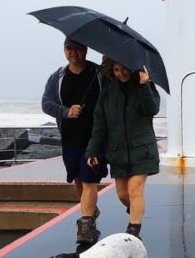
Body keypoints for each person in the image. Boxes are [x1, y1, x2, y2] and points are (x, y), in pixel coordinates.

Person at [86, 59, 160, 238]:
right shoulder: (108, 92)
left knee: (135, 189)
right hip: (117, 151)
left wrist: (144, 86)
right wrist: (93, 150)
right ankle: (136, 210)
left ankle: (133, 232)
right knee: (122, 194)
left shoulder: (145, 85)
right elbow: (100, 123)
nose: (121, 73)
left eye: (124, 69)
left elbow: (152, 109)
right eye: (117, 70)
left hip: (141, 150)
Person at [41, 38, 103, 246]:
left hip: (94, 138)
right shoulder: (57, 77)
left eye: (78, 49)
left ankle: (85, 224)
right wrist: (66, 112)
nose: (73, 53)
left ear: (85, 50)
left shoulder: (99, 74)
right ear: (64, 50)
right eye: (69, 49)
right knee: (77, 179)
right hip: (69, 138)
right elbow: (46, 104)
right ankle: (90, 210)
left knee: (88, 179)